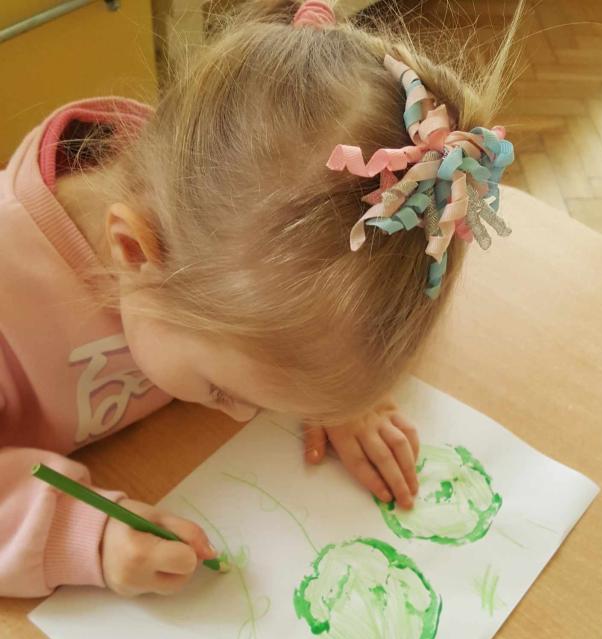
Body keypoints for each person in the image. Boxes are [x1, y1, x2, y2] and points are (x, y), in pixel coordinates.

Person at [0, 0, 519, 598]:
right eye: (222, 390)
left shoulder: (217, 211)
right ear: (134, 251)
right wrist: (84, 538)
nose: (245, 417)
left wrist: (323, 389)